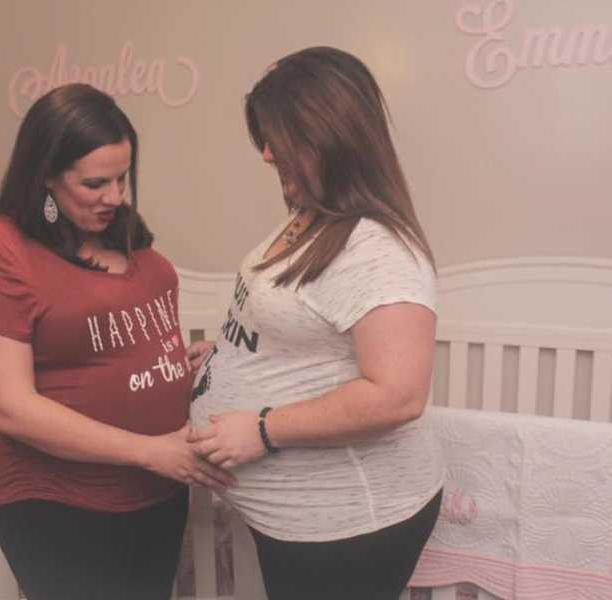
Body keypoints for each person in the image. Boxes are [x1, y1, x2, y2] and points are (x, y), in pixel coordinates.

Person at [0, 83, 234, 600]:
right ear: (46, 177)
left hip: (156, 487)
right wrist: (149, 451)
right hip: (64, 500)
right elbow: (10, 407)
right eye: (95, 183)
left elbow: (111, 340)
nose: (115, 196)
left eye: (123, 178)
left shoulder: (116, 230)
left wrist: (178, 359)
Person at [186, 46, 444, 600]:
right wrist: (233, 354)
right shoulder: (315, 219)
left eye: (277, 137)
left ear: (330, 135)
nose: (266, 153)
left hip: (350, 523)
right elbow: (302, 327)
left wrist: (260, 429)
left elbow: (397, 396)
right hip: (306, 520)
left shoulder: (378, 250)